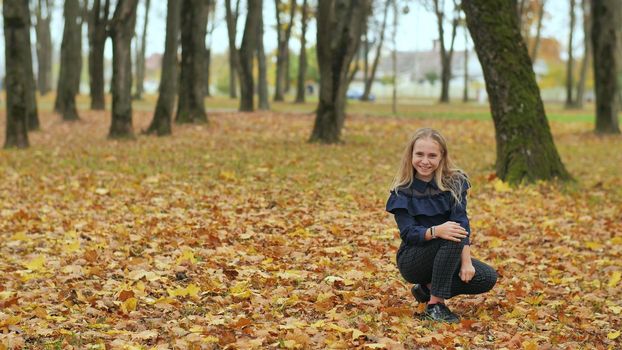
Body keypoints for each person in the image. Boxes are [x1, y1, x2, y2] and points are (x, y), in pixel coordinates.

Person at [385, 128, 497, 323]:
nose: (425, 161)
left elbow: (462, 223)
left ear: (442, 157)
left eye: (432, 155)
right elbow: (409, 233)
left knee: (486, 277)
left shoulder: (455, 182)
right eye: (419, 154)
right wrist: (435, 231)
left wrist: (467, 262)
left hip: (448, 252)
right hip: (414, 259)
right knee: (451, 233)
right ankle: (436, 306)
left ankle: (426, 290)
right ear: (411, 155)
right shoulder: (402, 191)